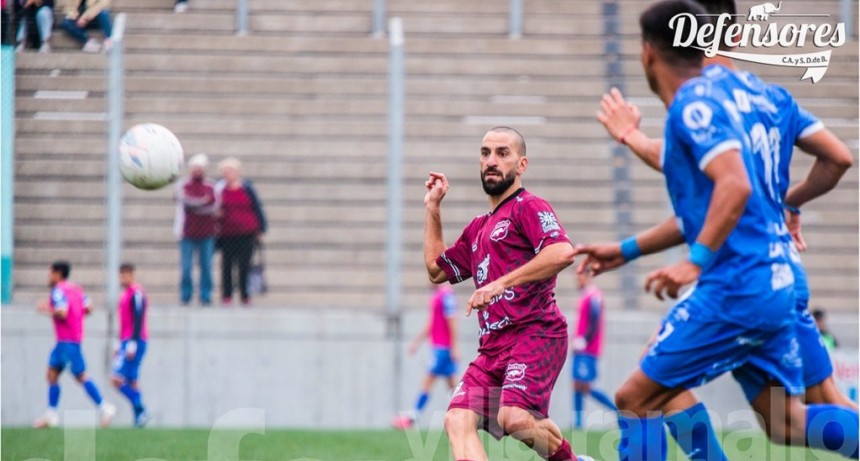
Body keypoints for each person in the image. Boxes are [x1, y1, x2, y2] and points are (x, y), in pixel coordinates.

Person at [574, 1, 857, 459]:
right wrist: (627, 250)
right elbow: (836, 158)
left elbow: (734, 184)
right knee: (788, 422)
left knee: (637, 398)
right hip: (778, 277)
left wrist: (694, 261)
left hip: (737, 283)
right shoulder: (766, 96)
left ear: (648, 53)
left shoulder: (697, 101)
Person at [424, 126, 593, 461]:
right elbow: (436, 270)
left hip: (535, 333)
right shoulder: (477, 228)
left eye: (503, 153)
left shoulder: (528, 207)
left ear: (522, 164)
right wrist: (432, 208)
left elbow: (562, 252)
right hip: (492, 348)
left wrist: (500, 283)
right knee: (456, 420)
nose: (491, 161)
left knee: (514, 418)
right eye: (486, 153)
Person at [34, 261, 115, 428]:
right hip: (68, 340)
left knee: (81, 376)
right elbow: (90, 308)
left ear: (58, 274)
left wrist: (46, 308)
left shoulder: (58, 291)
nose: (48, 277)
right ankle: (51, 413)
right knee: (51, 374)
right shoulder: (77, 289)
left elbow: (62, 312)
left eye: (50, 274)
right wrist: (76, 317)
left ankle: (105, 407)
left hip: (67, 341)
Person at [393, 284, 461, 430]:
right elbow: (432, 323)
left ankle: (413, 416)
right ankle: (464, 414)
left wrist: (455, 347)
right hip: (440, 347)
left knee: (428, 381)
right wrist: (417, 342)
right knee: (452, 385)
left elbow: (452, 321)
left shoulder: (446, 295)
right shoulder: (438, 295)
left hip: (443, 348)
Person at [216, 157, 266, 306]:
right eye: (225, 171)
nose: (228, 173)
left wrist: (261, 229)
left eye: (230, 170)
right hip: (227, 234)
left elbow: (257, 208)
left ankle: (245, 295)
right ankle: (227, 295)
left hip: (246, 233)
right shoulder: (219, 189)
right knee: (227, 266)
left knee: (244, 265)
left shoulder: (247, 188)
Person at [570, 268, 616, 430]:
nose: (578, 281)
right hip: (581, 349)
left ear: (588, 276)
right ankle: (577, 422)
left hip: (587, 349)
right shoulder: (586, 296)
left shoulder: (593, 295)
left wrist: (583, 340)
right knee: (577, 384)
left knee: (586, 385)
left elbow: (594, 319)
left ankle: (618, 412)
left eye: (580, 277)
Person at [174, 153, 218, 307]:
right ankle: (186, 295)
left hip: (206, 232)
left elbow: (213, 206)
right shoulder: (183, 185)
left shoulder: (211, 185)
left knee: (206, 266)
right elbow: (185, 202)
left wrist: (196, 206)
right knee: (186, 267)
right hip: (187, 232)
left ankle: (205, 295)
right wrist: (202, 203)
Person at [111, 263, 150, 427]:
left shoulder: (136, 293)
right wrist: (118, 343)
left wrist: (132, 343)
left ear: (132, 275)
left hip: (135, 340)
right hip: (127, 340)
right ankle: (139, 419)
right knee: (132, 380)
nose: (123, 278)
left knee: (116, 379)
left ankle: (140, 408)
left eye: (125, 275)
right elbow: (124, 322)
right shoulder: (125, 294)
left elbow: (138, 318)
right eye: (121, 275)